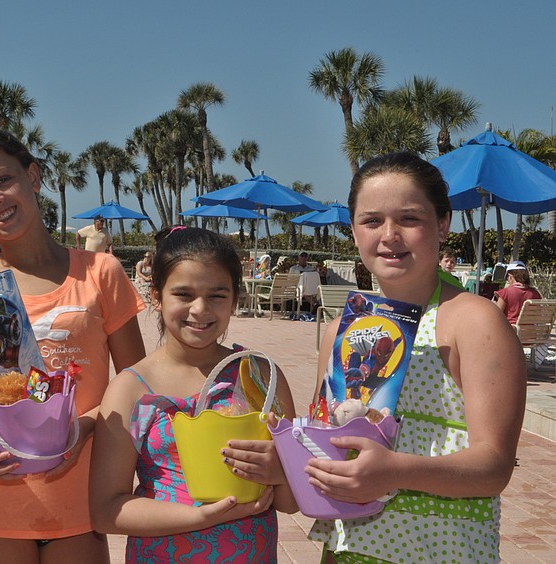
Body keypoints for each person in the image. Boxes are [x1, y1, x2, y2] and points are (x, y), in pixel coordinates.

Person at [0, 123, 146, 564]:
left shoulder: (100, 271)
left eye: (3, 180)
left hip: (83, 500)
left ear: (32, 176)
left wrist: (83, 427)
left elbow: (138, 388)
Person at [308, 152, 526, 563]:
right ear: (353, 231)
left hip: (442, 551)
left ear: (442, 224)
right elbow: (325, 437)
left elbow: (495, 466)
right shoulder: (343, 329)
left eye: (409, 219)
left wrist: (395, 471)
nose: (389, 235)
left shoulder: (474, 322)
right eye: (372, 220)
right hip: (347, 550)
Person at [89, 226, 298, 562]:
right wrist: (200, 517)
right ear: (156, 297)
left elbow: (290, 503)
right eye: (184, 294)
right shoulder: (131, 389)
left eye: (217, 295)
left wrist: (280, 472)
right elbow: (106, 510)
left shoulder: (259, 377)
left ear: (234, 299)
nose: (200, 309)